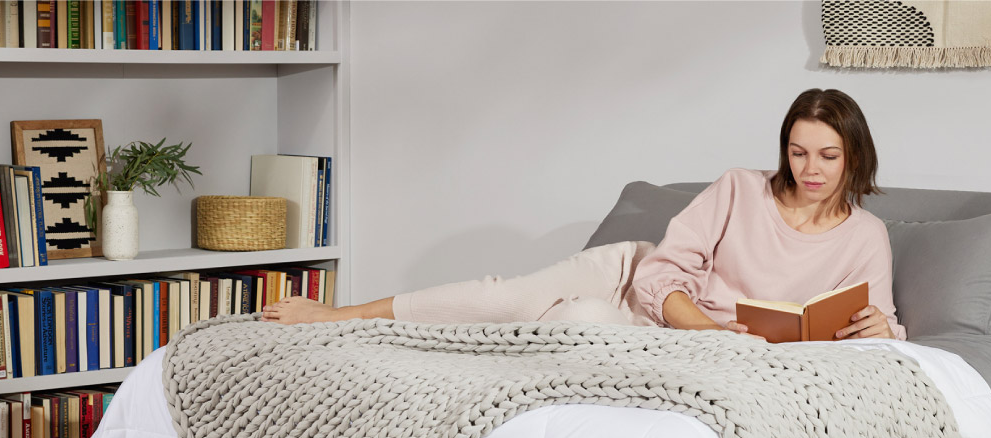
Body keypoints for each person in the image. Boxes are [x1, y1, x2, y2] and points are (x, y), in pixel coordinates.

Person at [261, 88, 906, 341]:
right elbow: (659, 279)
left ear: (854, 157)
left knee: (577, 325)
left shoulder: (866, 235)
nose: (810, 169)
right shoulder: (739, 188)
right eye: (798, 152)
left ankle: (445, 346)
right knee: (502, 300)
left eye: (826, 155)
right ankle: (337, 316)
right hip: (631, 278)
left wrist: (881, 329)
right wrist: (709, 333)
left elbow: (882, 328)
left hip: (671, 338)